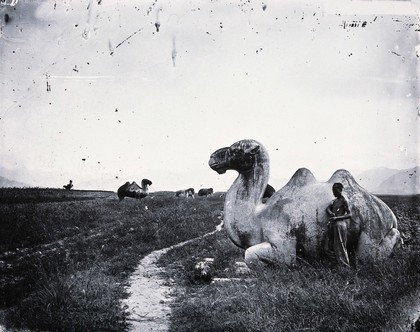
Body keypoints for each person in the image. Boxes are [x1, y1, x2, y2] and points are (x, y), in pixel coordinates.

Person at [325, 182, 352, 267]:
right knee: (329, 246)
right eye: (333, 190)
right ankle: (335, 264)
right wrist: (331, 213)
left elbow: (349, 214)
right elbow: (327, 208)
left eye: (335, 190)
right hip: (333, 225)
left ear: (340, 190)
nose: (334, 192)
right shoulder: (334, 201)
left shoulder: (344, 200)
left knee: (340, 246)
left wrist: (337, 218)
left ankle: (345, 266)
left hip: (340, 225)